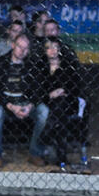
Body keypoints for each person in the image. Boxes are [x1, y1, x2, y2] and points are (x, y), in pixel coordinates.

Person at [0, 33, 50, 168]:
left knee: (44, 112)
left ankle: (35, 153)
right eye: (20, 47)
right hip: (4, 103)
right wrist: (10, 105)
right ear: (13, 45)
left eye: (26, 48)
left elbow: (39, 90)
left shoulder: (33, 65)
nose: (22, 51)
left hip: (25, 102)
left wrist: (30, 105)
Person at [25, 37, 84, 165]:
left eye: (55, 47)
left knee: (60, 105)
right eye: (49, 47)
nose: (52, 50)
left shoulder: (68, 65)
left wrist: (60, 92)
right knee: (58, 114)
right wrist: (50, 95)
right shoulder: (39, 65)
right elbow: (36, 90)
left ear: (60, 49)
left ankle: (48, 132)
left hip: (66, 102)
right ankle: (61, 155)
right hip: (46, 102)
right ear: (44, 50)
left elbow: (75, 87)